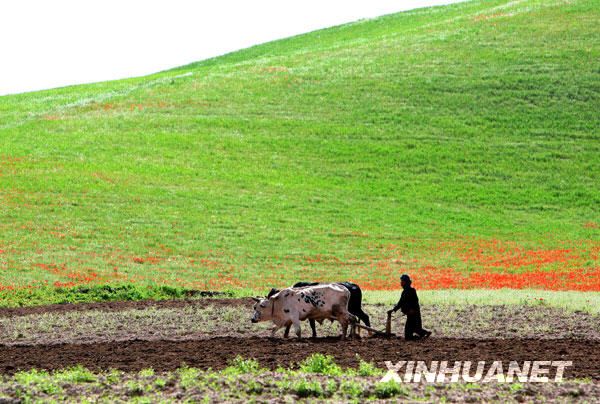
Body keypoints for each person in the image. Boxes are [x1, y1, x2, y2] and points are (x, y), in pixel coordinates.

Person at [388, 274, 431, 340]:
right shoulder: (404, 292)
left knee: (411, 332)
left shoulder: (412, 291)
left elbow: (415, 302)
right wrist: (394, 310)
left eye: (402, 281)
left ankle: (423, 335)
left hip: (413, 314)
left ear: (406, 282)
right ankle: (423, 334)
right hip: (409, 314)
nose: (401, 283)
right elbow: (400, 303)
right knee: (414, 330)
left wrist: (412, 310)